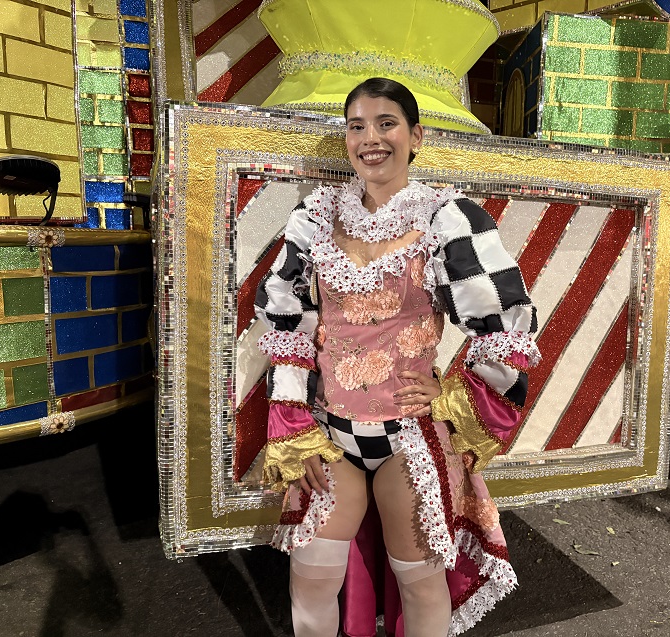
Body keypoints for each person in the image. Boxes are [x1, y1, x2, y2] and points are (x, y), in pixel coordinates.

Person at [254, 77, 540, 637]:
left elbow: (505, 321)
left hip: (408, 436)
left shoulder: (448, 219)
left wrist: (458, 394)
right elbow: (286, 326)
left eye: (386, 124)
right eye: (356, 126)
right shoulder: (315, 219)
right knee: (311, 578)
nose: (371, 139)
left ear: (416, 135)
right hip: (331, 434)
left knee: (421, 583)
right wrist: (291, 427)